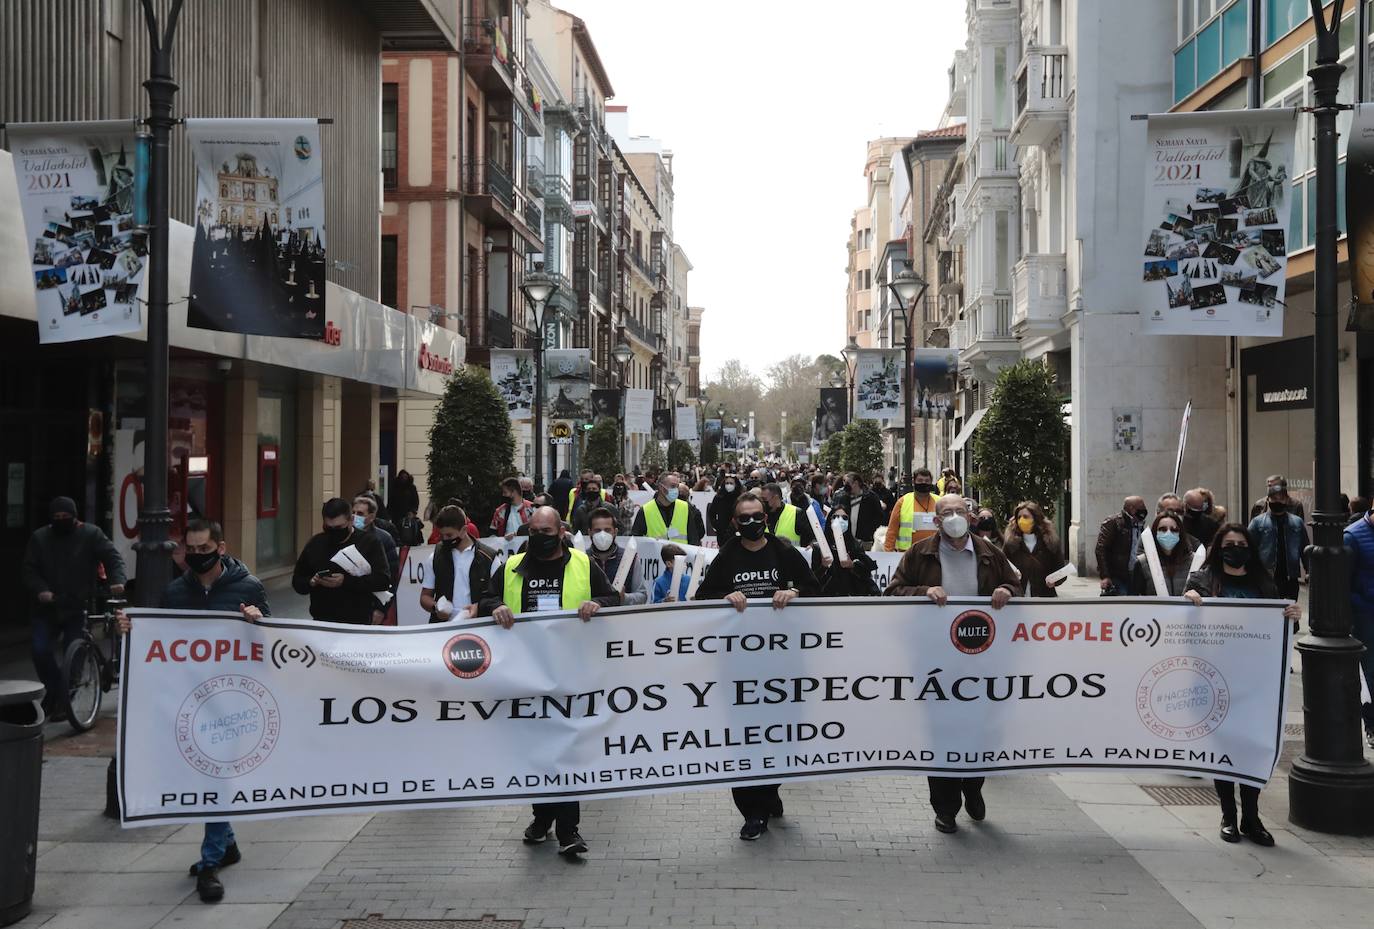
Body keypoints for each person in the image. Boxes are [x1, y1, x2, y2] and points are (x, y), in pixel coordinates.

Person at [116, 519, 267, 903]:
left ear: (221, 546)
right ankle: (227, 843)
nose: (197, 557)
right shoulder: (175, 592)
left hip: (233, 702)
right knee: (204, 776)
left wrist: (257, 622)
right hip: (190, 701)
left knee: (215, 776)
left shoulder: (247, 588)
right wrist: (132, 631)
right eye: (191, 550)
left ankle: (210, 862)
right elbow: (163, 637)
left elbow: (271, 641)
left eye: (204, 549)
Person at [476, 506, 621, 857]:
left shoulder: (583, 564)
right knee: (537, 754)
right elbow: (485, 600)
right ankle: (541, 819)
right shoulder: (512, 566)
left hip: (571, 674)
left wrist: (596, 604)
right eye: (534, 531)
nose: (540, 537)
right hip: (525, 675)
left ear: (561, 531)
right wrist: (494, 607)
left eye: (546, 531)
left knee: (565, 752)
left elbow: (613, 598)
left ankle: (569, 830)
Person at [884, 493, 1020, 834]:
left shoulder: (990, 553)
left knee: (979, 731)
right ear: (937, 520)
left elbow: (1016, 587)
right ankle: (945, 808)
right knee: (941, 733)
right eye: (948, 512)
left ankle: (972, 788)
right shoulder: (919, 554)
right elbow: (894, 591)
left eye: (961, 510)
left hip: (982, 661)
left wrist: (1006, 590)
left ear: (971, 516)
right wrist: (923, 592)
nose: (955, 516)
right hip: (935, 662)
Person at [694, 491, 821, 840]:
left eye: (757, 516)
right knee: (745, 739)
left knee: (784, 737)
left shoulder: (784, 553)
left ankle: (769, 790)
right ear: (735, 523)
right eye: (744, 518)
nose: (751, 523)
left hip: (784, 666)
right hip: (738, 668)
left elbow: (815, 591)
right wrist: (723, 598)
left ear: (766, 518)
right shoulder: (727, 557)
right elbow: (702, 597)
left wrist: (794, 594)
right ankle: (753, 811)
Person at [1184, 524, 1302, 846]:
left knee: (1250, 745)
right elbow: (1185, 627)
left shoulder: (1263, 582)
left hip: (1256, 679)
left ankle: (1251, 816)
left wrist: (1293, 615)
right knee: (1224, 746)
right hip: (1217, 677)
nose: (1235, 548)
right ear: (1218, 547)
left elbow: (1281, 627)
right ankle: (1228, 815)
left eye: (1241, 544)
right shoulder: (1202, 581)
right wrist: (1187, 602)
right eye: (1229, 543)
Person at [22, 496, 126, 717]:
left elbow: (112, 557)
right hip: (47, 606)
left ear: (75, 517)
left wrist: (117, 580)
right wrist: (41, 590)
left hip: (77, 603)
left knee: (75, 650)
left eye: (65, 517)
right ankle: (58, 691)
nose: (61, 520)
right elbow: (29, 569)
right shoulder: (40, 538)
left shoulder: (91, 534)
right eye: (57, 517)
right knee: (40, 650)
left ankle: (63, 697)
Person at [291, 498, 391, 624]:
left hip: (357, 621)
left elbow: (383, 580)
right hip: (322, 620)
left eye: (339, 527)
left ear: (351, 520)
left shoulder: (369, 543)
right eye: (329, 527)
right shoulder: (316, 543)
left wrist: (346, 581)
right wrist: (311, 582)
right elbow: (297, 581)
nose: (334, 532)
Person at [420, 506, 492, 622]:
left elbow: (498, 597)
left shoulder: (488, 558)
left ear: (464, 530)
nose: (444, 539)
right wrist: (436, 608)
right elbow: (425, 596)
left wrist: (480, 608)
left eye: (449, 535)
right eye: (441, 535)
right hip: (444, 628)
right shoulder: (435, 557)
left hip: (478, 627)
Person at [1343, 505, 1374, 747]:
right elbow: (1342, 582)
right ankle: (1371, 724)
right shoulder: (1353, 536)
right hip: (1366, 616)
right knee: (1371, 670)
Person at [1247, 485, 1309, 603]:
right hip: (1265, 577)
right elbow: (1249, 549)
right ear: (1268, 500)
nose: (1278, 501)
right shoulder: (1257, 522)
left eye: (1281, 498)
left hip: (1290, 576)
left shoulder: (1297, 522)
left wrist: (1309, 570)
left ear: (1286, 500)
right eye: (1274, 498)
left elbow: (1304, 548)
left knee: (1290, 614)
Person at [810, 502, 879, 596]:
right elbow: (812, 580)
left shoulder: (856, 545)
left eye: (844, 517)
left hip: (850, 597)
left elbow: (866, 574)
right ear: (829, 520)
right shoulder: (820, 547)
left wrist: (852, 565)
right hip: (827, 597)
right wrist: (823, 567)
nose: (839, 520)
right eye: (835, 517)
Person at [1001, 502, 1067, 598]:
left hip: (1044, 598)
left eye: (1026, 517)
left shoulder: (1050, 542)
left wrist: (1055, 581)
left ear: (1036, 518)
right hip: (1017, 598)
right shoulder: (1011, 543)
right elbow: (1001, 568)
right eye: (1019, 517)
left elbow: (1061, 570)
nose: (1022, 520)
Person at [586, 507, 647, 605]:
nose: (602, 535)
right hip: (589, 618)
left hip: (620, 618)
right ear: (590, 533)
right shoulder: (582, 559)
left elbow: (642, 596)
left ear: (615, 532)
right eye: (597, 530)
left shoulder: (630, 558)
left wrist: (625, 598)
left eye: (607, 530)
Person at [353, 494, 399, 618]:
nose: (355, 516)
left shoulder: (384, 539)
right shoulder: (346, 536)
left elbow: (392, 578)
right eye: (354, 512)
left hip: (372, 604)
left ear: (372, 516)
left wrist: (381, 609)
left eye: (360, 513)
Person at [1131, 511, 1197, 596]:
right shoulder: (1142, 563)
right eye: (1162, 529)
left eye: (1174, 530)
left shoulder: (1194, 561)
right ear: (1155, 533)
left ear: (1180, 534)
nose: (1168, 533)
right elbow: (1134, 599)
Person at [1096, 496, 1148, 595]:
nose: (1144, 509)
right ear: (1132, 508)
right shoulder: (1113, 522)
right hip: (1118, 575)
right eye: (1141, 506)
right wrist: (1105, 576)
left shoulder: (1140, 525)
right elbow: (1101, 549)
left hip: (1135, 575)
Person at [632, 473, 704, 544]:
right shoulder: (645, 510)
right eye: (673, 486)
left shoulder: (685, 507)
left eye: (677, 486)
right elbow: (636, 539)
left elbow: (693, 538)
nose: (676, 490)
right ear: (661, 487)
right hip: (655, 555)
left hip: (681, 554)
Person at [884, 468, 939, 552]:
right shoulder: (903, 502)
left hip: (934, 553)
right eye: (920, 480)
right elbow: (892, 530)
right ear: (914, 482)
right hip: (907, 554)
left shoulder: (940, 502)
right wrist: (888, 553)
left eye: (927, 481)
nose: (923, 483)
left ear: (931, 482)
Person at [760, 482, 817, 548]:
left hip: (791, 556)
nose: (762, 502)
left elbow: (811, 539)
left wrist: (810, 546)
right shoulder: (759, 515)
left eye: (764, 499)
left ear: (776, 498)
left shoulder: (796, 513)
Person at [844, 472, 886, 550]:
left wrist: (869, 534)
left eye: (847, 483)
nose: (845, 485)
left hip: (865, 542)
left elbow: (879, 518)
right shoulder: (845, 497)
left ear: (855, 483)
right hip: (848, 541)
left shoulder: (871, 497)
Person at [708, 473, 742, 539]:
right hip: (722, 532)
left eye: (731, 483)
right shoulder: (719, 497)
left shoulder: (740, 497)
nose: (729, 485)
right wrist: (716, 525)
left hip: (737, 532)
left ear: (736, 485)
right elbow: (711, 512)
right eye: (727, 483)